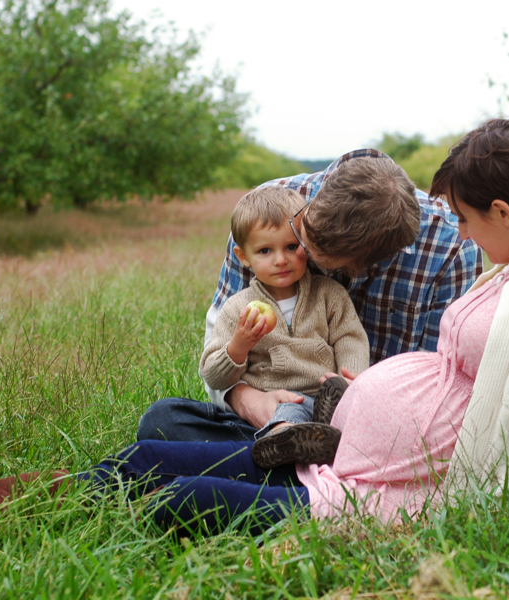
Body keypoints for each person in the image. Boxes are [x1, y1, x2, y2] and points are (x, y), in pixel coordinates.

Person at [0, 119, 509, 535]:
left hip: (365, 464)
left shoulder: (489, 258)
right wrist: (249, 397)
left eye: (322, 262)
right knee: (159, 433)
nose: (295, 264)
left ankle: (23, 505)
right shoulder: (275, 216)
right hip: (310, 430)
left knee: (170, 487)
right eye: (298, 248)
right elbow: (225, 342)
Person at [136, 151, 483, 444]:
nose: (288, 259)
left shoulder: (452, 249)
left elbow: (437, 384)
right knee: (163, 420)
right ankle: (287, 460)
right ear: (308, 212)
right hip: (265, 416)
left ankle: (275, 468)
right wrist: (245, 400)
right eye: (303, 242)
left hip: (367, 429)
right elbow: (217, 348)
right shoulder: (264, 212)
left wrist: (361, 393)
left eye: (296, 250)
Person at [199, 186, 370, 468]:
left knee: (346, 404)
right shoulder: (237, 308)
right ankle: (284, 440)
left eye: (291, 247)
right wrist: (239, 346)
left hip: (325, 394)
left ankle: (322, 435)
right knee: (166, 415)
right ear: (243, 256)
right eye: (265, 250)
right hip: (275, 404)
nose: (281, 260)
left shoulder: (329, 294)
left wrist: (349, 378)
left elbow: (350, 338)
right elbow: (214, 376)